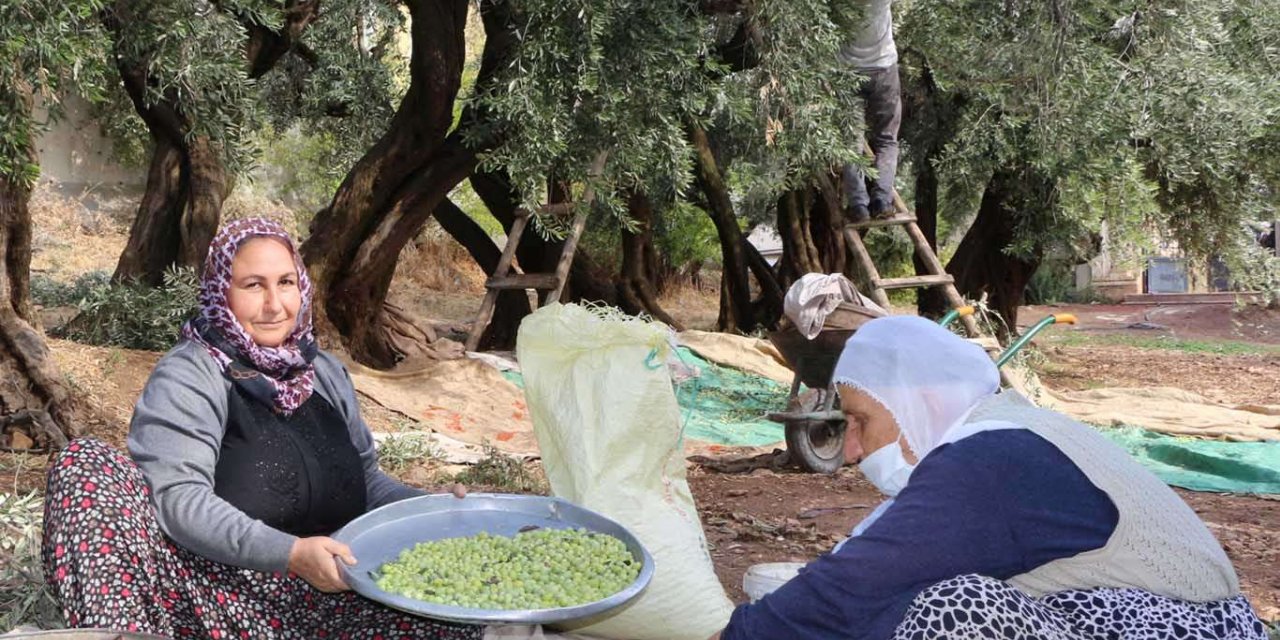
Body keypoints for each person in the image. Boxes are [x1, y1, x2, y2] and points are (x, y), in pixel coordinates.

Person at [42, 218, 481, 639]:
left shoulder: (325, 373)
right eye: (253, 285)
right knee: (86, 463)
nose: (275, 305)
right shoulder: (192, 374)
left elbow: (366, 481)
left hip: (332, 600)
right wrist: (290, 555)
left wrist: (432, 508)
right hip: (215, 597)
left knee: (455, 619)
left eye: (285, 282)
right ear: (222, 292)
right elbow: (179, 499)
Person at [710, 315, 1268, 640]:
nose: (852, 449)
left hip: (1173, 628)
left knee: (952, 609)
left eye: (860, 421)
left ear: (921, 405)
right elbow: (869, 562)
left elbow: (856, 582)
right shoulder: (999, 436)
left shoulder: (992, 459)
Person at [840, 0, 902, 223]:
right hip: (884, 69)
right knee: (887, 139)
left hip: (848, 72)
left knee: (851, 142)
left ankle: (858, 206)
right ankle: (882, 201)